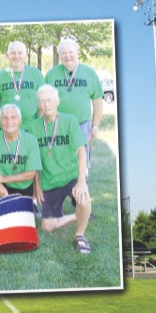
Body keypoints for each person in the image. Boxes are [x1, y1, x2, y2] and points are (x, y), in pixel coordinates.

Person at [30, 85, 92, 254]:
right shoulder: (34, 127)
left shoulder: (69, 120)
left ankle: (79, 235)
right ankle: (76, 216)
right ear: (38, 105)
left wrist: (81, 181)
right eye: (42, 101)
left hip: (70, 176)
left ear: (57, 101)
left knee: (84, 198)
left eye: (49, 100)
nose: (46, 104)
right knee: (47, 227)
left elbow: (81, 150)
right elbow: (36, 161)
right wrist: (38, 187)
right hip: (49, 182)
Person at [44, 38, 104, 168]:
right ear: (59, 55)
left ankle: (83, 185)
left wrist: (95, 126)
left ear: (77, 52)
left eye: (70, 52)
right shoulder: (51, 74)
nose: (67, 56)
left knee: (82, 162)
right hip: (58, 126)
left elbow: (98, 102)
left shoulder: (89, 73)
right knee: (60, 160)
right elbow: (44, 100)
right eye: (63, 53)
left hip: (81, 125)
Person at [0, 104, 42, 207]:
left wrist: (3, 178)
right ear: (0, 121)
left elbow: (30, 173)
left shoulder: (31, 140)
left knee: (19, 219)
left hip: (23, 186)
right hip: (0, 184)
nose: (9, 121)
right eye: (5, 118)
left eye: (13, 117)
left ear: (20, 120)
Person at [0, 41, 44, 133]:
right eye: (13, 53)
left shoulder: (35, 73)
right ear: (7, 55)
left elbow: (42, 101)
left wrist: (42, 126)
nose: (16, 56)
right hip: (5, 128)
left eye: (20, 53)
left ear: (26, 55)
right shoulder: (0, 75)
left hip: (31, 128)